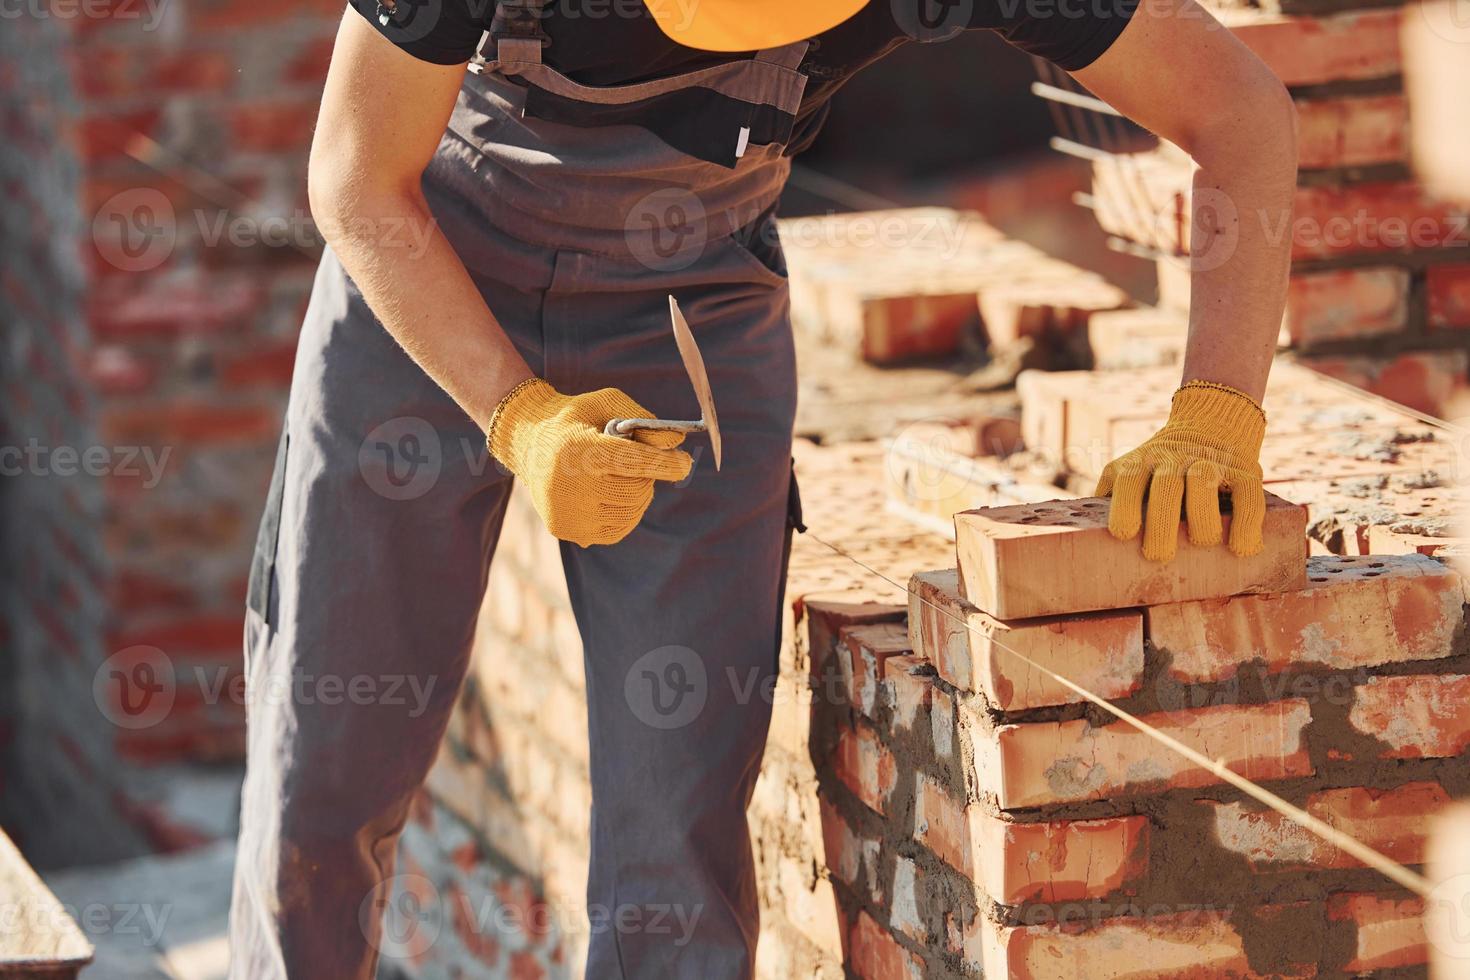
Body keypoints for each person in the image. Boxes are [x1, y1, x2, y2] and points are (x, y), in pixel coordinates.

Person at [227, 0, 1299, 976]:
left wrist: (1216, 409)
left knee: (675, 835)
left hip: (686, 321)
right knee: (319, 784)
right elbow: (358, 178)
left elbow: (1242, 110)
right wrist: (517, 413)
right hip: (424, 281)